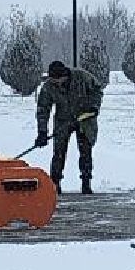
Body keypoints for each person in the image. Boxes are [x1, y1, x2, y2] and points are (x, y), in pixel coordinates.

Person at [34, 59, 102, 193]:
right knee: (59, 152)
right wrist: (42, 131)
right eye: (53, 80)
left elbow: (97, 90)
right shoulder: (49, 86)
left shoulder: (82, 77)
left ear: (65, 75)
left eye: (58, 80)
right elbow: (43, 108)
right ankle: (55, 183)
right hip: (63, 121)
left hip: (85, 118)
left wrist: (94, 107)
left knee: (85, 151)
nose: (56, 83)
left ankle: (86, 182)